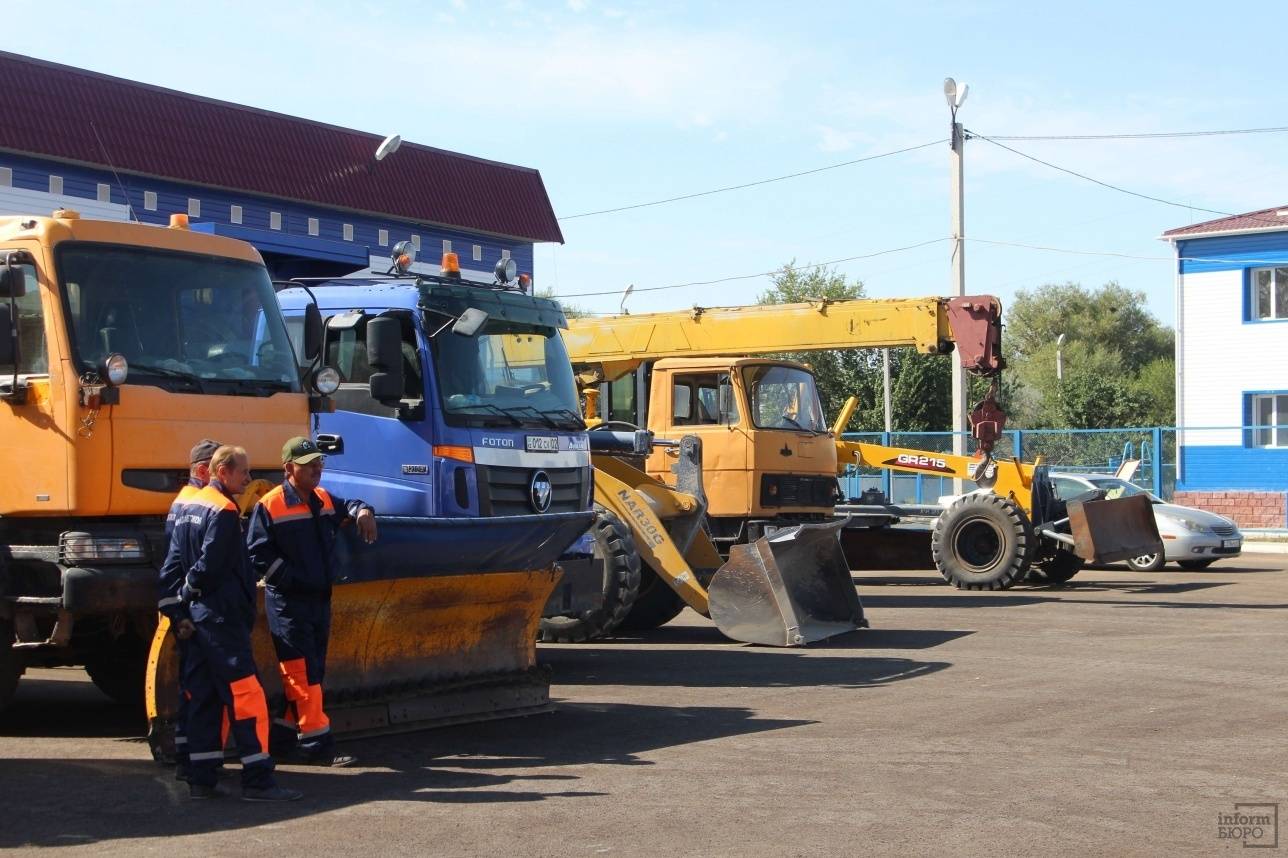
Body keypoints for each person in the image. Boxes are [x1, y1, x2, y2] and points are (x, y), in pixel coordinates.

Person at [173, 445, 301, 802]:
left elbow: (179, 561)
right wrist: (191, 587)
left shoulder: (188, 507)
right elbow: (211, 564)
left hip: (200, 618)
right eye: (244, 473)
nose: (249, 480)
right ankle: (258, 778)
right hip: (222, 619)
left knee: (203, 696)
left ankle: (201, 777)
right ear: (223, 471)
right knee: (248, 697)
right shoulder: (226, 511)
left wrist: (182, 602)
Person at [247, 436, 377, 766]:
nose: (317, 469)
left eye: (319, 463)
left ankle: (282, 737)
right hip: (289, 604)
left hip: (319, 600)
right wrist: (293, 580)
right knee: (302, 674)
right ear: (289, 468)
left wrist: (363, 511)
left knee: (312, 671)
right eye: (309, 465)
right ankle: (317, 746)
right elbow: (258, 554)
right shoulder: (270, 505)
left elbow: (347, 505)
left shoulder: (321, 498)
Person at [157, 439, 221, 783]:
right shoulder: (194, 506)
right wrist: (181, 613)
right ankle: (197, 765)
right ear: (201, 470)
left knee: (191, 688)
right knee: (198, 690)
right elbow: (182, 567)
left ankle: (187, 758)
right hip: (194, 611)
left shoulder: (185, 503)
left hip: (187, 608)